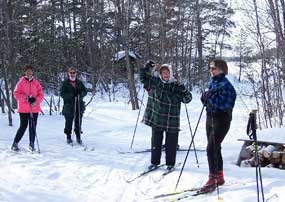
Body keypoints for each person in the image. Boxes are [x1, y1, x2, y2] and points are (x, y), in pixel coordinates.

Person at [140, 61, 192, 171]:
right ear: (160, 74)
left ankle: (170, 164)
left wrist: (184, 90)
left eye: (167, 72)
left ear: (171, 73)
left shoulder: (176, 86)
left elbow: (188, 99)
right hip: (157, 118)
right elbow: (143, 78)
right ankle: (154, 162)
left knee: (171, 144)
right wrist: (147, 67)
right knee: (156, 142)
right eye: (163, 72)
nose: (165, 75)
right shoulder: (156, 82)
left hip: (171, 120)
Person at [200, 59, 236, 192]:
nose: (211, 70)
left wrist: (209, 98)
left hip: (221, 120)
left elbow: (225, 104)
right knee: (216, 148)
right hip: (210, 118)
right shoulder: (213, 83)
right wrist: (205, 97)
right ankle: (219, 176)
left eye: (213, 68)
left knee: (211, 148)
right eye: (210, 68)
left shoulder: (226, 85)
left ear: (221, 69)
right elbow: (207, 101)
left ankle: (213, 178)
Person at [11, 65, 44, 151]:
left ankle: (31, 143)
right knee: (23, 126)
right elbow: (16, 94)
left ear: (32, 72)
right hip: (24, 109)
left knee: (32, 126)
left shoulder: (36, 82)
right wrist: (26, 98)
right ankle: (15, 143)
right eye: (27, 71)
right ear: (25, 72)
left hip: (34, 108)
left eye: (30, 71)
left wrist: (36, 100)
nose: (29, 73)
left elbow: (41, 94)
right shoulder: (21, 82)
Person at [60, 67, 87, 145]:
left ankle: (78, 137)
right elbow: (62, 93)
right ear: (68, 73)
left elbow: (85, 91)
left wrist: (80, 94)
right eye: (71, 73)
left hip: (79, 105)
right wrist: (71, 95)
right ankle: (68, 136)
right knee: (69, 122)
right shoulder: (65, 83)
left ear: (76, 73)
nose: (72, 74)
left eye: (73, 72)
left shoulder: (79, 83)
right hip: (69, 106)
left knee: (78, 121)